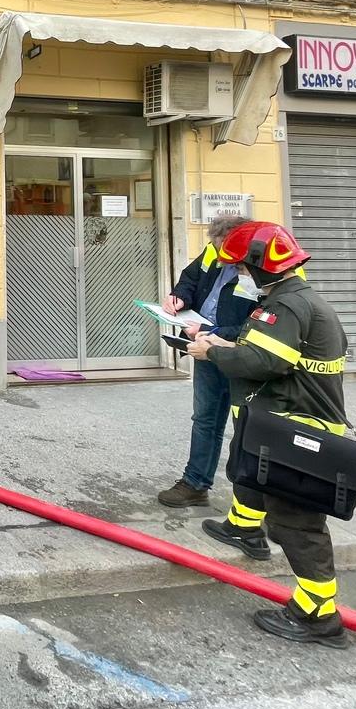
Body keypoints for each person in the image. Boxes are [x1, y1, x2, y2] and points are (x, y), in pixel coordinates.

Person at [187, 221, 350, 647]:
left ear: (261, 265)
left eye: (242, 267)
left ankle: (317, 616)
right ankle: (244, 528)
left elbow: (262, 363)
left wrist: (210, 352)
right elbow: (272, 356)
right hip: (286, 424)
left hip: (296, 431)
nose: (240, 274)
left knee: (297, 525)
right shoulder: (293, 299)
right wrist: (225, 348)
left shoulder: (285, 307)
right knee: (256, 485)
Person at [155, 214, 254, 508]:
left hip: (244, 358)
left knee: (249, 427)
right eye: (215, 246)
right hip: (206, 351)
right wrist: (179, 297)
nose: (219, 254)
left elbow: (261, 325)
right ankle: (195, 483)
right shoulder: (214, 251)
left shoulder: (264, 270)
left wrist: (212, 331)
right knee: (206, 419)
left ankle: (252, 497)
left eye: (226, 249)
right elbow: (191, 278)